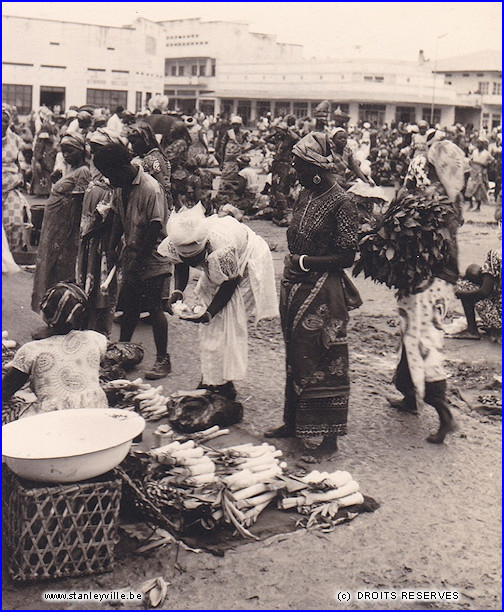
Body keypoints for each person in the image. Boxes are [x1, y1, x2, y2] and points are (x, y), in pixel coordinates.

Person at [264, 132, 359, 458]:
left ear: (316, 168)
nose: (294, 170)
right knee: (295, 357)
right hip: (295, 287)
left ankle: (329, 438)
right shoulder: (305, 194)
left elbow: (347, 256)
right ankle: (292, 423)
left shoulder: (342, 203)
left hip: (323, 291)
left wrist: (304, 262)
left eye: (299, 165)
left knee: (324, 357)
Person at [387, 136, 466, 443]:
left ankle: (445, 415)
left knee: (424, 341)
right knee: (411, 333)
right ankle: (409, 396)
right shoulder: (449, 196)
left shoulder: (438, 202)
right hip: (434, 278)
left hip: (430, 280)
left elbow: (426, 242)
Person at [158, 203, 278, 400]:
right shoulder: (180, 240)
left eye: (195, 259)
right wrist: (178, 291)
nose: (192, 264)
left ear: (204, 247)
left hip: (246, 261)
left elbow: (231, 282)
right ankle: (212, 378)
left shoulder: (220, 248)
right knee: (213, 327)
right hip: (223, 263)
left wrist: (209, 313)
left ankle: (222, 383)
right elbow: (181, 264)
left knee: (225, 321)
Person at [93, 143, 172, 379]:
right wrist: (112, 245)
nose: (108, 179)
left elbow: (155, 225)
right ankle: (121, 354)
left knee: (155, 307)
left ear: (122, 167)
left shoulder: (150, 188)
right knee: (130, 308)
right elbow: (117, 215)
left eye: (109, 174)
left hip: (155, 256)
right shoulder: (121, 186)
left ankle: (162, 360)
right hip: (132, 254)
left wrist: (139, 259)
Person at [2, 282, 108, 415]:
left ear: (45, 314)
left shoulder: (32, 350)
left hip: (55, 420)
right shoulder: (95, 339)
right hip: (96, 413)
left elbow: (5, 391)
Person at [31, 133, 91, 321]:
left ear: (81, 150)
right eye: (63, 151)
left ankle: (61, 316)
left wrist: (71, 235)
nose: (65, 155)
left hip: (64, 233)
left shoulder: (83, 172)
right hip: (54, 230)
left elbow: (78, 205)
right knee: (50, 270)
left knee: (59, 272)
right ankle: (51, 314)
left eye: (70, 151)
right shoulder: (72, 170)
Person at [76, 128, 129, 337]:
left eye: (99, 149)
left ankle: (100, 334)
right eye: (93, 149)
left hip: (102, 241)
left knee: (102, 287)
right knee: (88, 283)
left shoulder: (111, 182)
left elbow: (110, 214)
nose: (95, 154)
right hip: (89, 239)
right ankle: (85, 330)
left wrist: (92, 231)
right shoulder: (94, 175)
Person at [452, 249, 502, 342]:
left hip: (499, 320)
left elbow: (484, 292)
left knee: (463, 285)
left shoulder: (496, 255)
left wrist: (460, 294)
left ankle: (472, 331)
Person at [2, 104, 32, 252]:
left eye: (5, 120)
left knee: (14, 221)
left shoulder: (15, 140)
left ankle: (12, 254)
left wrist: (21, 176)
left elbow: (21, 162)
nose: (2, 123)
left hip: (11, 185)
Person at [127, 121, 173, 208]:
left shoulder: (149, 159)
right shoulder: (160, 155)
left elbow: (159, 188)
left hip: (155, 205)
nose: (132, 147)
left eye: (134, 142)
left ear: (145, 140)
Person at [465, 137, 494, 211]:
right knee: (470, 187)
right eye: (477, 143)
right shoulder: (474, 151)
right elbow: (470, 160)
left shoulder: (486, 153)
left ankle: (478, 207)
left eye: (480, 143)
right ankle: (471, 204)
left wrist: (486, 165)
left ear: (483, 144)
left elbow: (492, 161)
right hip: (473, 171)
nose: (478, 144)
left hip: (480, 172)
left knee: (479, 189)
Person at [31, 123, 57, 197]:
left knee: (45, 176)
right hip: (43, 160)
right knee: (42, 176)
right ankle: (42, 191)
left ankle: (44, 191)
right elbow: (38, 151)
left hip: (46, 160)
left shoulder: (48, 141)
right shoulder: (43, 141)